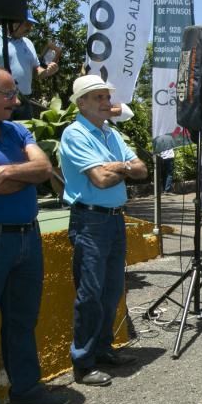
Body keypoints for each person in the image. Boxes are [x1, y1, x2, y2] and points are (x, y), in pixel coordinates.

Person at [0, 62, 68, 404]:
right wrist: (18, 174)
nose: (16, 100)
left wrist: (4, 173)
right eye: (8, 93)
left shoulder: (16, 128)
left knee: (21, 320)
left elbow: (44, 168)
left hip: (27, 239)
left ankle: (26, 388)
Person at [59, 75, 147, 388]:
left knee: (111, 290)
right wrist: (122, 166)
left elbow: (142, 169)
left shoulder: (111, 132)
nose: (105, 102)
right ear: (81, 103)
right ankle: (82, 362)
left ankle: (103, 348)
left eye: (106, 96)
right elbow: (99, 179)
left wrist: (117, 166)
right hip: (90, 220)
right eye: (97, 97)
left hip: (112, 218)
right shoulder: (76, 133)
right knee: (90, 293)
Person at [0, 11, 60, 120]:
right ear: (13, 21)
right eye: (27, 24)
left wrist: (47, 72)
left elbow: (36, 71)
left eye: (32, 25)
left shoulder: (28, 43)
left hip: (23, 101)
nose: (30, 28)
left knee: (21, 135)